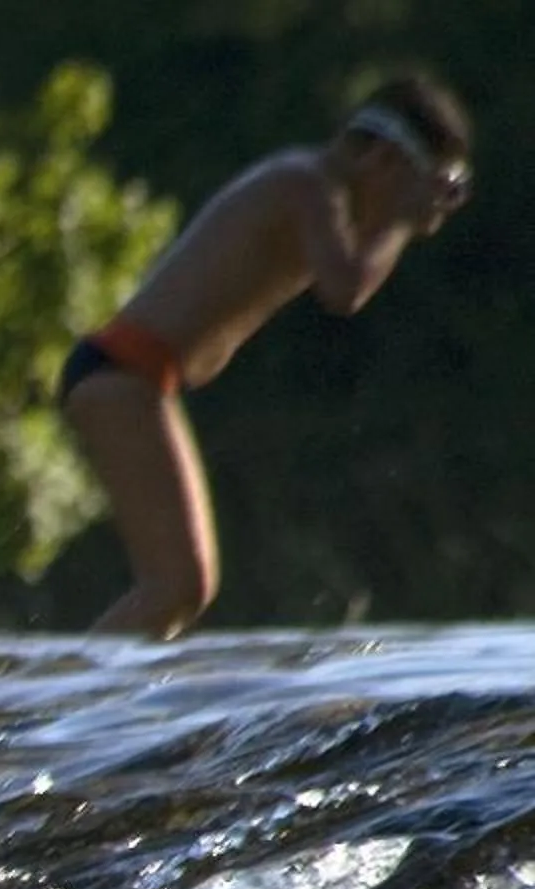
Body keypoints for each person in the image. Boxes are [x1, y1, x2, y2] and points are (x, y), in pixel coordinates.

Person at [59, 76, 472, 640]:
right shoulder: (307, 184)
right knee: (176, 587)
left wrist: (399, 209)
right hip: (123, 373)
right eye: (430, 186)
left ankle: (86, 688)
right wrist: (398, 222)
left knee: (181, 589)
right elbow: (345, 289)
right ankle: (64, 692)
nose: (431, 207)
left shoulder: (312, 189)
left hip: (137, 377)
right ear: (383, 159)